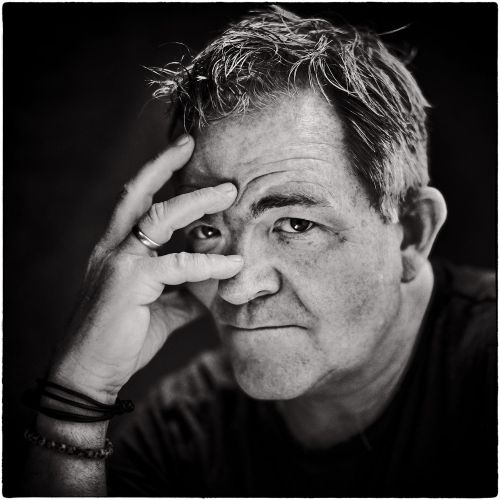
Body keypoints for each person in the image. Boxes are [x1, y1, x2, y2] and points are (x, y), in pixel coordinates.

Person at [24, 6, 496, 497]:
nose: (236, 288)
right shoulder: (186, 430)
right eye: (207, 228)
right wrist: (79, 397)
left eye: (296, 224)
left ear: (413, 232)